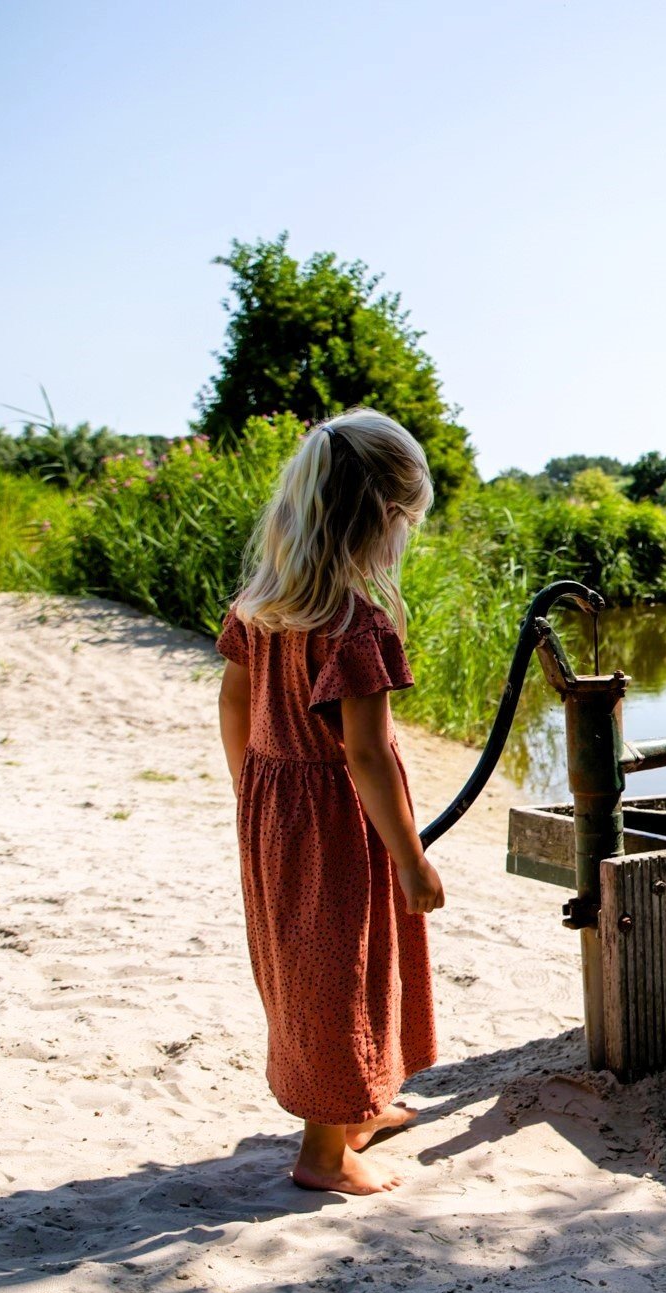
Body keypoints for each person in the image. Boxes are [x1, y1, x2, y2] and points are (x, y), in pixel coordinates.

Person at [215, 408, 444, 1196]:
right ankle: (323, 1152)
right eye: (405, 522)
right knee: (339, 974)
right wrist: (411, 859)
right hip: (339, 821)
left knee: (305, 966)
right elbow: (368, 753)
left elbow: (233, 704)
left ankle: (355, 1108)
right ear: (380, 518)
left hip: (273, 807)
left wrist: (253, 786)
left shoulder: (260, 605)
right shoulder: (356, 624)